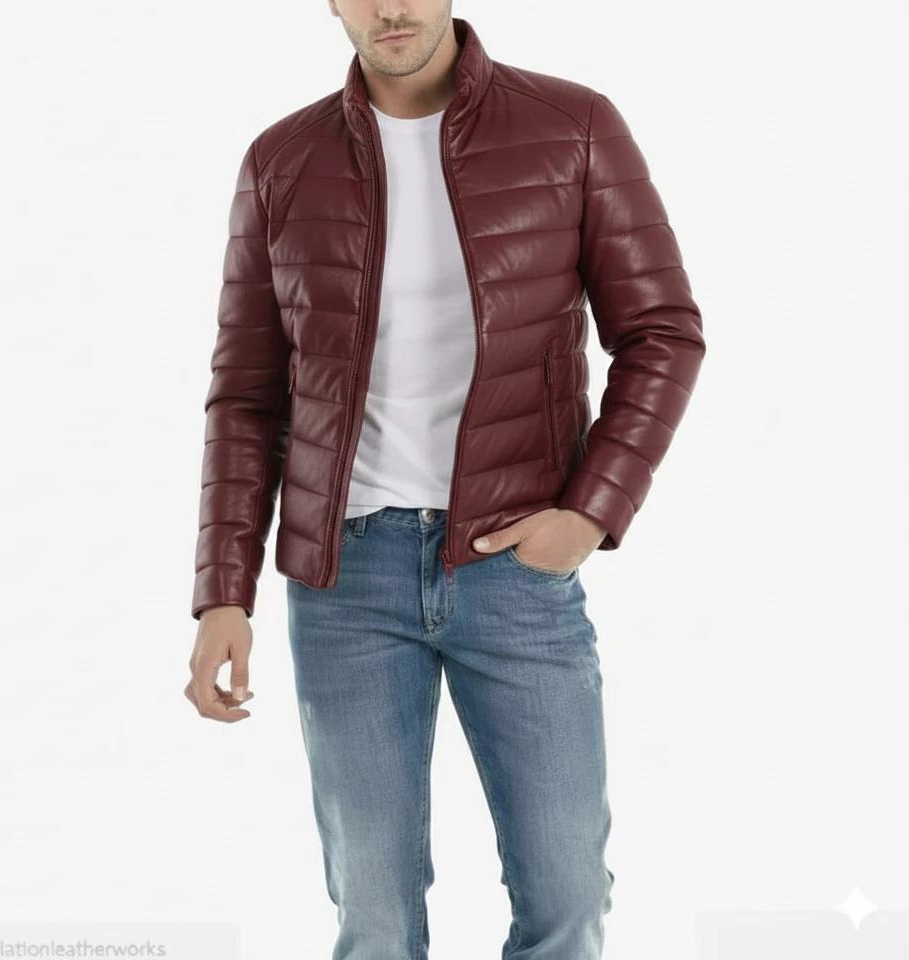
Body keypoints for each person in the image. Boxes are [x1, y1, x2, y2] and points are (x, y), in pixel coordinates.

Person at [185, 3, 706, 957]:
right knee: (374, 917)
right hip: (345, 581)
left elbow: (662, 332)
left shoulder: (574, 126)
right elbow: (247, 396)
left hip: (515, 569)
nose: (391, 8)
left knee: (567, 894)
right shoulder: (280, 161)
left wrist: (589, 514)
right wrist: (224, 592)